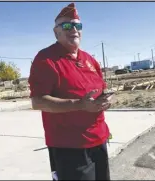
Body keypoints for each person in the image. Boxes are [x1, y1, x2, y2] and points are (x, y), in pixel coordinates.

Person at [28, 3, 112, 180]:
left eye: (77, 25)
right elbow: (38, 101)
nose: (73, 29)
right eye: (67, 25)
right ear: (56, 32)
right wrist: (80, 104)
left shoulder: (90, 59)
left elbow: (99, 92)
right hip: (69, 147)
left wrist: (104, 101)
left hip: (99, 140)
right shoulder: (46, 59)